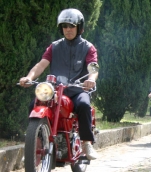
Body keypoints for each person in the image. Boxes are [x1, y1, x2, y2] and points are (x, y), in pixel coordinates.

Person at [19, 8, 99, 160]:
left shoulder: (88, 47)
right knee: (33, 105)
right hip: (55, 90)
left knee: (83, 105)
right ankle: (33, 145)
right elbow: (41, 65)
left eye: (71, 26)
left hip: (77, 89)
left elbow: (93, 67)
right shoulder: (54, 46)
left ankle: (86, 143)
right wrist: (29, 77)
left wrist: (91, 79)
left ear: (79, 27)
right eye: (65, 27)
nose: (68, 30)